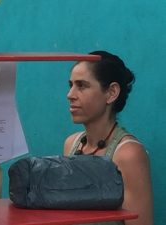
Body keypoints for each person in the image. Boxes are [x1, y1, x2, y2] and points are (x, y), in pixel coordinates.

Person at [63, 51, 153, 225]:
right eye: (71, 85)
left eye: (81, 85)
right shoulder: (71, 145)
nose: (70, 94)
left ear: (111, 92)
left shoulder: (128, 154)